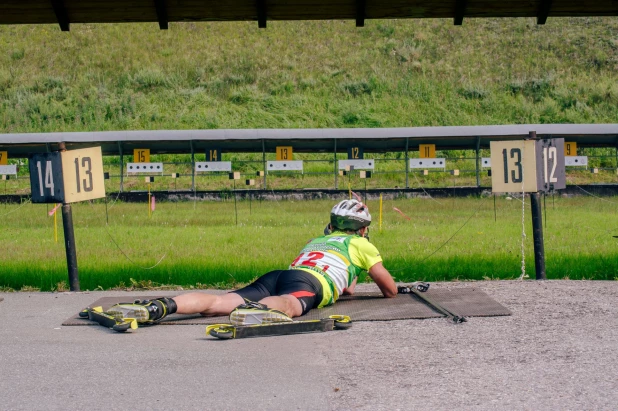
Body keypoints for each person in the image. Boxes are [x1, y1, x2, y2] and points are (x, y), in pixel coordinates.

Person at [107, 199, 397, 326]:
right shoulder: (362, 244)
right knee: (291, 305)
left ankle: (160, 306)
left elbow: (346, 287)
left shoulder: (315, 241)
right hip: (310, 282)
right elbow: (389, 289)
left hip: (281, 274)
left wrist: (352, 276)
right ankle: (256, 312)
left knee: (219, 303)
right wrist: (367, 268)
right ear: (361, 228)